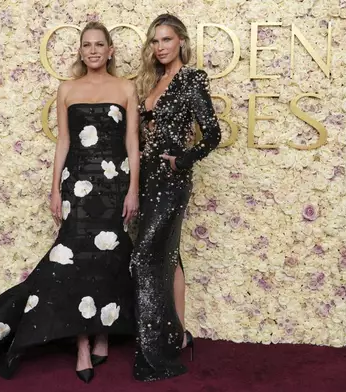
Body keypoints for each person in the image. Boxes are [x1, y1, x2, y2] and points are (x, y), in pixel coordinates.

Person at [0, 21, 140, 385]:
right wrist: (55, 189)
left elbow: (133, 143)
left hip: (113, 186)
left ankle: (103, 332)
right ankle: (83, 344)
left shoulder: (125, 88)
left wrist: (133, 189)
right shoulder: (67, 89)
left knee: (109, 258)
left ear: (110, 51)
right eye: (86, 45)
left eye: (99, 45)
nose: (92, 50)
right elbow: (63, 142)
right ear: (80, 51)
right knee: (73, 262)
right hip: (77, 185)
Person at [131, 13, 221, 382]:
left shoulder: (190, 78)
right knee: (169, 255)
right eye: (155, 41)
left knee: (144, 258)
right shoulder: (153, 81)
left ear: (181, 41)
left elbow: (212, 133)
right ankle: (179, 334)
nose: (160, 47)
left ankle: (156, 347)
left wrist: (182, 159)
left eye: (166, 40)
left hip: (171, 181)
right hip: (148, 180)